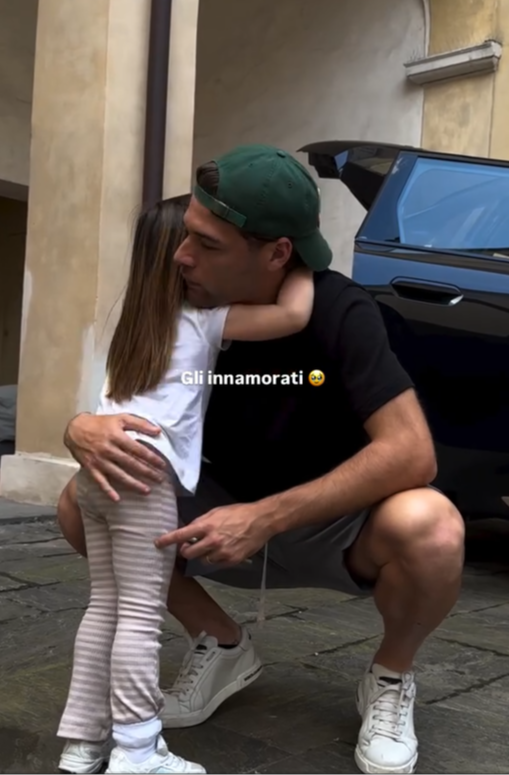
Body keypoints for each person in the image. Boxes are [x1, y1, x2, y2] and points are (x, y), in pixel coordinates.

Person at [58, 145, 465, 775]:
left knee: (433, 527)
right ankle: (221, 643)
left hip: (331, 525)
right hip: (209, 509)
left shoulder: (338, 309)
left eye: (206, 244)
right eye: (185, 235)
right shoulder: (183, 304)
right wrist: (80, 429)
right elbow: (128, 396)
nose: (181, 255)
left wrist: (266, 516)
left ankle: (390, 675)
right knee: (80, 504)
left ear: (277, 254)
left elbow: (412, 452)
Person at [57, 190, 314, 775]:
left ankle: (83, 743)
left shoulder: (132, 328)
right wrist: (301, 259)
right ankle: (137, 750)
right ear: (182, 258)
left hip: (98, 476)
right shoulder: (202, 321)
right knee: (140, 616)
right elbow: (293, 315)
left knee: (104, 607)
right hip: (144, 477)